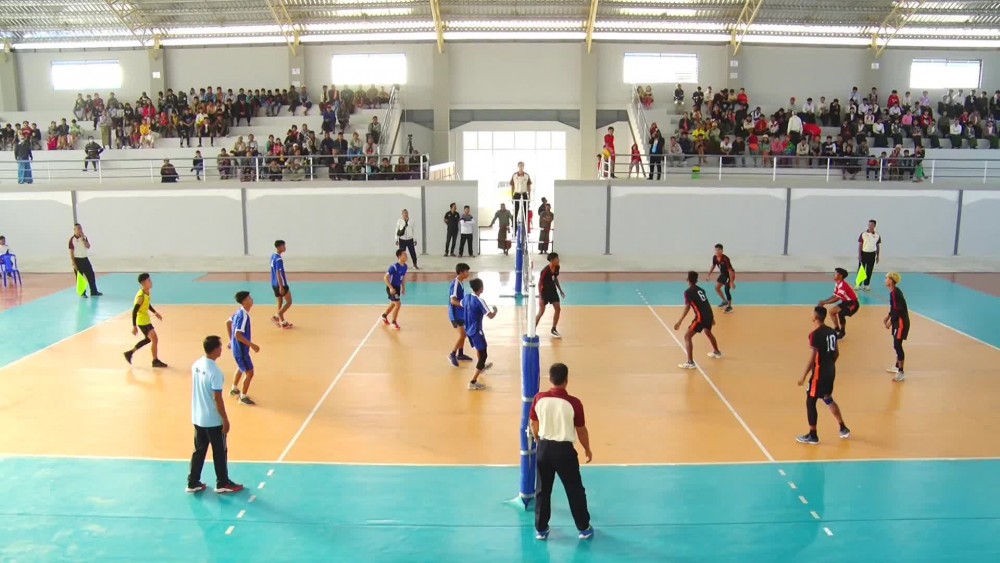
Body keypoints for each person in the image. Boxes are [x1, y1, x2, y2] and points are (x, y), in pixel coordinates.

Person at [529, 362, 594, 541]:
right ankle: (584, 528)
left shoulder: (538, 399)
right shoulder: (574, 403)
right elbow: (581, 429)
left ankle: (541, 529)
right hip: (564, 451)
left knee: (543, 490)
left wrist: (538, 439)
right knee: (574, 490)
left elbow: (534, 422)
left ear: (550, 379)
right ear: (566, 380)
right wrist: (587, 449)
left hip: (544, 449)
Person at [187, 335, 244, 494]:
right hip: (213, 420)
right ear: (215, 349)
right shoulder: (215, 372)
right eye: (220, 347)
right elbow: (217, 399)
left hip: (198, 417)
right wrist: (225, 419)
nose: (221, 349)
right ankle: (222, 482)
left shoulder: (196, 364)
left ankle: (192, 482)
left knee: (199, 450)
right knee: (220, 452)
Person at [795, 306, 851, 444]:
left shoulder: (815, 335)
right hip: (831, 370)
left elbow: (812, 359)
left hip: (819, 373)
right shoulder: (831, 332)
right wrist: (829, 365)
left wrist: (803, 376)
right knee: (827, 398)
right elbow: (836, 353)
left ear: (815, 317)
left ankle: (813, 435)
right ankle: (843, 427)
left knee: (810, 401)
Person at [673, 271, 722, 369]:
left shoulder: (688, 292)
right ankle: (717, 352)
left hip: (701, 318)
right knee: (708, 332)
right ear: (696, 280)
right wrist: (712, 317)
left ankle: (690, 362)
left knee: (687, 336)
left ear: (688, 279)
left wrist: (680, 321)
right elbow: (706, 303)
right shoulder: (701, 290)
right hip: (708, 315)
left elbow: (687, 307)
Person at [124, 273, 168, 368]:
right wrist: (134, 326)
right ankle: (155, 361)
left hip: (145, 319)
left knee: (148, 339)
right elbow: (134, 311)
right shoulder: (141, 296)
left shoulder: (147, 293)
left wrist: (155, 312)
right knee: (154, 339)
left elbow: (147, 304)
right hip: (142, 321)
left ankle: (130, 353)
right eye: (149, 280)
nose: (151, 282)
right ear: (144, 283)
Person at [462, 277, 497, 390]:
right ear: (481, 288)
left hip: (468, 330)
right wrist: (495, 311)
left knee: (479, 349)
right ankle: (473, 382)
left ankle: (480, 367)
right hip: (477, 331)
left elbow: (461, 304)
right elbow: (490, 316)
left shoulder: (467, 297)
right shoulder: (480, 301)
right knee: (483, 355)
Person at [226, 291, 260, 406]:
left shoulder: (238, 312)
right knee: (250, 372)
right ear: (244, 301)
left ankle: (234, 389)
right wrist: (252, 345)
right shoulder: (244, 316)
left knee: (241, 367)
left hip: (237, 349)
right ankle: (243, 397)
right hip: (241, 350)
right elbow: (238, 335)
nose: (252, 299)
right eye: (249, 298)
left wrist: (231, 340)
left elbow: (227, 323)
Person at [817, 268, 859, 339]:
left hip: (853, 304)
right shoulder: (837, 284)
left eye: (835, 273)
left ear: (840, 276)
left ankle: (842, 332)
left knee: (841, 313)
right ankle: (837, 328)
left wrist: (824, 303)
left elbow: (837, 298)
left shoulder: (843, 286)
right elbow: (834, 296)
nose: (834, 274)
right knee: (831, 311)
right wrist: (824, 301)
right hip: (846, 303)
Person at [447, 263, 475, 367]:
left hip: (460, 313)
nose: (468, 273)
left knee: (464, 334)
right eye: (467, 271)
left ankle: (461, 354)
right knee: (462, 335)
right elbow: (453, 300)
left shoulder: (460, 283)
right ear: (461, 272)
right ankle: (452, 354)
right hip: (455, 314)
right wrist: (464, 304)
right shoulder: (455, 284)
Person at [883, 272, 909, 382]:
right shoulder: (893, 292)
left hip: (901, 323)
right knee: (896, 344)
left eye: (887, 278)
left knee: (897, 345)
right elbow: (893, 308)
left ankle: (901, 372)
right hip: (897, 322)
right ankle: (897, 366)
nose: (885, 280)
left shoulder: (895, 293)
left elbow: (899, 310)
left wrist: (890, 321)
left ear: (891, 281)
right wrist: (888, 316)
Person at [535, 253, 565, 339]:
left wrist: (560, 290)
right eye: (557, 259)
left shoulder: (557, 267)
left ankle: (553, 329)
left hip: (553, 290)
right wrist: (540, 297)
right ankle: (532, 330)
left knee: (558, 309)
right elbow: (539, 283)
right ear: (552, 260)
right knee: (541, 311)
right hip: (544, 292)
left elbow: (555, 278)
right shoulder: (545, 271)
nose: (558, 260)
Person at [69, 223, 102, 297]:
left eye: (80, 228)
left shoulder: (84, 238)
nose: (80, 230)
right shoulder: (72, 240)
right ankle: (82, 293)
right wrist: (74, 263)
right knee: (80, 277)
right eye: (78, 229)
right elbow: (71, 252)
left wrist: (83, 238)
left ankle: (93, 291)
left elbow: (88, 246)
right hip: (77, 260)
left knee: (91, 275)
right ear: (74, 230)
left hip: (85, 259)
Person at [381, 249, 408, 330]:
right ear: (399, 256)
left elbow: (403, 278)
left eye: (406, 254)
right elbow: (385, 277)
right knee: (398, 304)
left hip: (397, 288)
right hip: (392, 287)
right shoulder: (394, 267)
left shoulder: (405, 266)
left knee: (393, 304)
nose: (406, 256)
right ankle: (394, 322)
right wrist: (391, 288)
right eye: (404, 254)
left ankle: (384, 316)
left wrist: (403, 288)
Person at [270, 239, 293, 329]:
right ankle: (278, 315)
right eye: (283, 246)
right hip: (281, 284)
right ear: (279, 247)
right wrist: (281, 286)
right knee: (289, 302)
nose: (285, 247)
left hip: (274, 283)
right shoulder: (279, 259)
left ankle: (282, 321)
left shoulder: (273, 256)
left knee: (280, 301)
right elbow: (278, 273)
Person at [707, 243, 735, 313]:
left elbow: (730, 271)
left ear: (722, 251)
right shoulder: (714, 257)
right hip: (723, 274)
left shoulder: (725, 259)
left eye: (719, 250)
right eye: (716, 250)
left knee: (726, 289)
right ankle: (724, 301)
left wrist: (731, 282)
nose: (717, 251)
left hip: (729, 275)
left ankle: (729, 306)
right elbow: (713, 265)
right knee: (717, 288)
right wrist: (709, 274)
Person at [857, 219, 881, 291]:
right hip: (864, 253)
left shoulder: (877, 235)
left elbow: (877, 246)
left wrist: (877, 256)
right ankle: (858, 284)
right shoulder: (863, 234)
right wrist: (859, 255)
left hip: (872, 254)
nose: (870, 226)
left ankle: (866, 285)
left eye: (871, 225)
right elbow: (860, 244)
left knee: (869, 270)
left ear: (874, 226)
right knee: (861, 269)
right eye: (869, 224)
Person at [510, 162, 532, 228]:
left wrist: (529, 196)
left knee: (526, 211)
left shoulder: (526, 175)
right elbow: (512, 186)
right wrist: (512, 196)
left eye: (522, 166)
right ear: (518, 166)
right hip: (517, 194)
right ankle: (514, 228)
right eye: (520, 166)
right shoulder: (514, 175)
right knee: (515, 211)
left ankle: (525, 228)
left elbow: (529, 186)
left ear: (524, 166)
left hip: (524, 194)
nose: (521, 167)